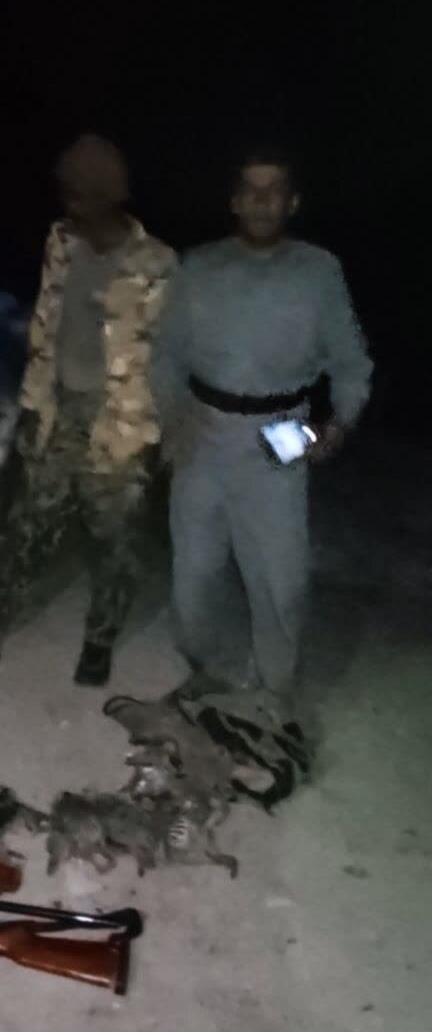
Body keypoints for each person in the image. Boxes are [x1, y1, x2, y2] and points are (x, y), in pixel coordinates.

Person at [0, 135, 175, 685]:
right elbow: (44, 326)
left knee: (115, 544)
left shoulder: (157, 263)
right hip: (59, 412)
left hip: (121, 425)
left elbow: (175, 354)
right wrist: (34, 404)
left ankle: (99, 641)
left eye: (82, 191)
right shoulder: (61, 242)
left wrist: (156, 436)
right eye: (66, 188)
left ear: (112, 194)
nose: (70, 199)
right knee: (22, 529)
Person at [152, 149, 373, 708]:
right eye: (251, 189)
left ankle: (274, 689)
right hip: (203, 432)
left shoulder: (319, 271)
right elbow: (166, 353)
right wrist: (173, 416)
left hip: (281, 432)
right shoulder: (198, 266)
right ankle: (202, 668)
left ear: (292, 202)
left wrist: (336, 426)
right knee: (193, 574)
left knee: (281, 579)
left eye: (274, 190)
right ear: (234, 201)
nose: (261, 201)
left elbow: (352, 364)